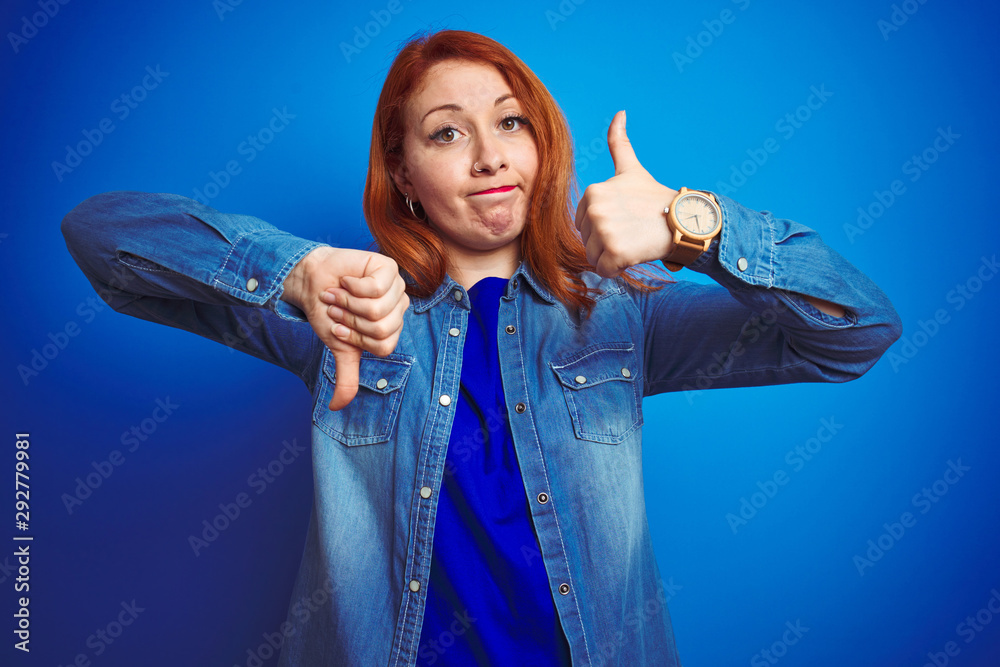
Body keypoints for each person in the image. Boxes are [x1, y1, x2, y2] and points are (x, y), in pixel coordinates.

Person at [61, 29, 901, 667]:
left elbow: (857, 330)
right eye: (447, 133)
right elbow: (101, 240)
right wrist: (295, 272)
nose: (491, 154)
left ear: (541, 146)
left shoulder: (621, 318)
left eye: (509, 123)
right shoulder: (344, 314)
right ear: (402, 172)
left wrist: (698, 227)